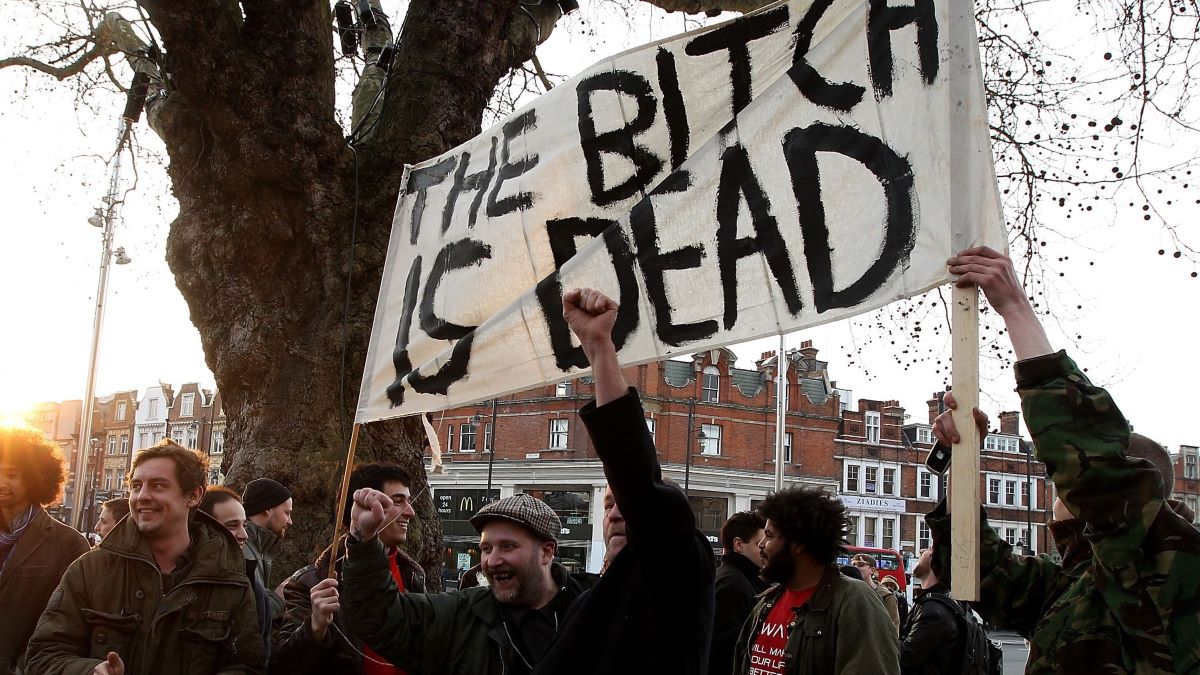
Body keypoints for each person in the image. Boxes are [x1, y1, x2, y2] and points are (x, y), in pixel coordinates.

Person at [925, 246, 1200, 672]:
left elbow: (1089, 457)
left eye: (1062, 474)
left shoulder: (1163, 561)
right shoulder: (1077, 576)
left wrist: (1015, 308)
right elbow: (979, 573)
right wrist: (965, 462)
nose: (1058, 480)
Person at [531, 287, 716, 675]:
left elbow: (637, 479)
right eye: (608, 505)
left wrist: (600, 350)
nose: (615, 515)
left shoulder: (677, 569)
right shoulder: (586, 598)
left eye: (625, 505)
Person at [26, 439, 265, 674]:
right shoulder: (90, 569)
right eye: (136, 485)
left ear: (193, 495)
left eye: (158, 486)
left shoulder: (229, 581)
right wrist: (90, 671)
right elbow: (43, 657)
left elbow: (246, 665)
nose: (142, 496)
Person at [341, 488, 591, 675]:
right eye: (486, 548)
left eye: (507, 547)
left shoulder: (596, 606)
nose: (492, 561)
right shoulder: (462, 614)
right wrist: (363, 541)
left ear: (546, 552)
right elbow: (383, 618)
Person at [272, 463, 427, 675]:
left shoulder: (413, 577)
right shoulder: (312, 582)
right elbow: (282, 666)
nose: (410, 512)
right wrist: (314, 627)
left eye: (408, 501)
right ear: (363, 506)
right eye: (398, 501)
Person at [733, 485, 900, 675]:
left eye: (769, 536)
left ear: (799, 544)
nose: (762, 545)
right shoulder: (766, 603)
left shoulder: (855, 602)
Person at [0, 426, 90, 675]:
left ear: (33, 477)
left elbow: (71, 624)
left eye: (10, 474)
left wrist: (20, 666)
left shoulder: (69, 544)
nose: (1, 482)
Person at [198, 486, 273, 659]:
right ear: (204, 528)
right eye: (232, 526)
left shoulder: (252, 588)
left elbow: (256, 659)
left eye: (244, 525)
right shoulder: (176, 576)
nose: (243, 535)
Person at [710, 511, 769, 675]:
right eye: (759, 543)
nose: (765, 548)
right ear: (739, 545)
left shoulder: (736, 578)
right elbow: (727, 649)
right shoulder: (733, 584)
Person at [899, 548, 960, 675]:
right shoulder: (933, 603)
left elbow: (906, 656)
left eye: (928, 549)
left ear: (935, 562)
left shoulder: (933, 611)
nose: (921, 551)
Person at [242, 477, 292, 618]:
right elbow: (248, 616)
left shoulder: (257, 549)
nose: (290, 522)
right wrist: (278, 598)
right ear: (268, 509)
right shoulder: (243, 551)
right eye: (287, 513)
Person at [851, 552, 901, 634]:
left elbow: (893, 626)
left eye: (861, 565)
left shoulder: (886, 596)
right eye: (853, 565)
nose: (856, 567)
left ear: (872, 570)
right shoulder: (849, 591)